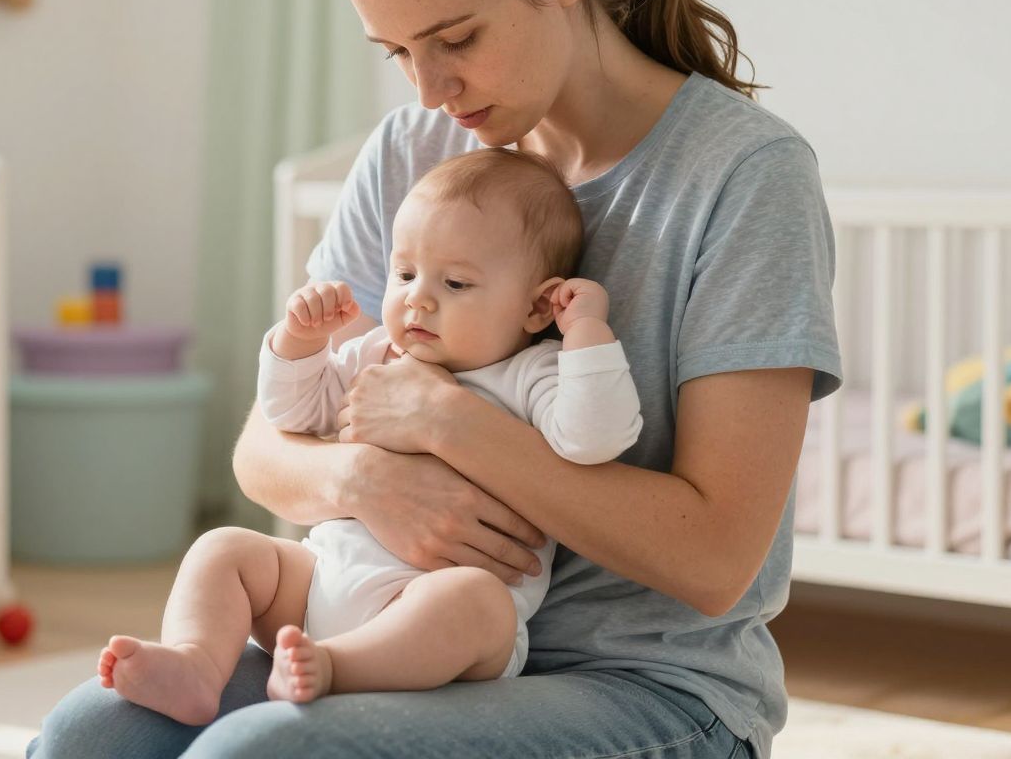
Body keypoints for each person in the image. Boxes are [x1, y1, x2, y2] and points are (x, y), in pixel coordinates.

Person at [29, 0, 840, 759]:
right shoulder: (416, 151)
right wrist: (365, 477)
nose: (430, 89)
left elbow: (715, 562)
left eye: (455, 39)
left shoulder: (744, 176)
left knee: (262, 754)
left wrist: (452, 424)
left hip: (650, 690)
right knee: (94, 734)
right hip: (384, 634)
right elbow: (266, 450)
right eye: (399, 53)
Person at [96, 148, 643, 724]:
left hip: (433, 613)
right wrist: (300, 344)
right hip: (319, 584)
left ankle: (335, 668)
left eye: (455, 282)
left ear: (536, 307)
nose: (417, 298)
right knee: (223, 548)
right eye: (404, 274)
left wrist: (586, 330)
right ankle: (197, 663)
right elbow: (293, 413)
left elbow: (593, 438)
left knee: (477, 604)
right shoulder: (376, 354)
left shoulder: (533, 375)